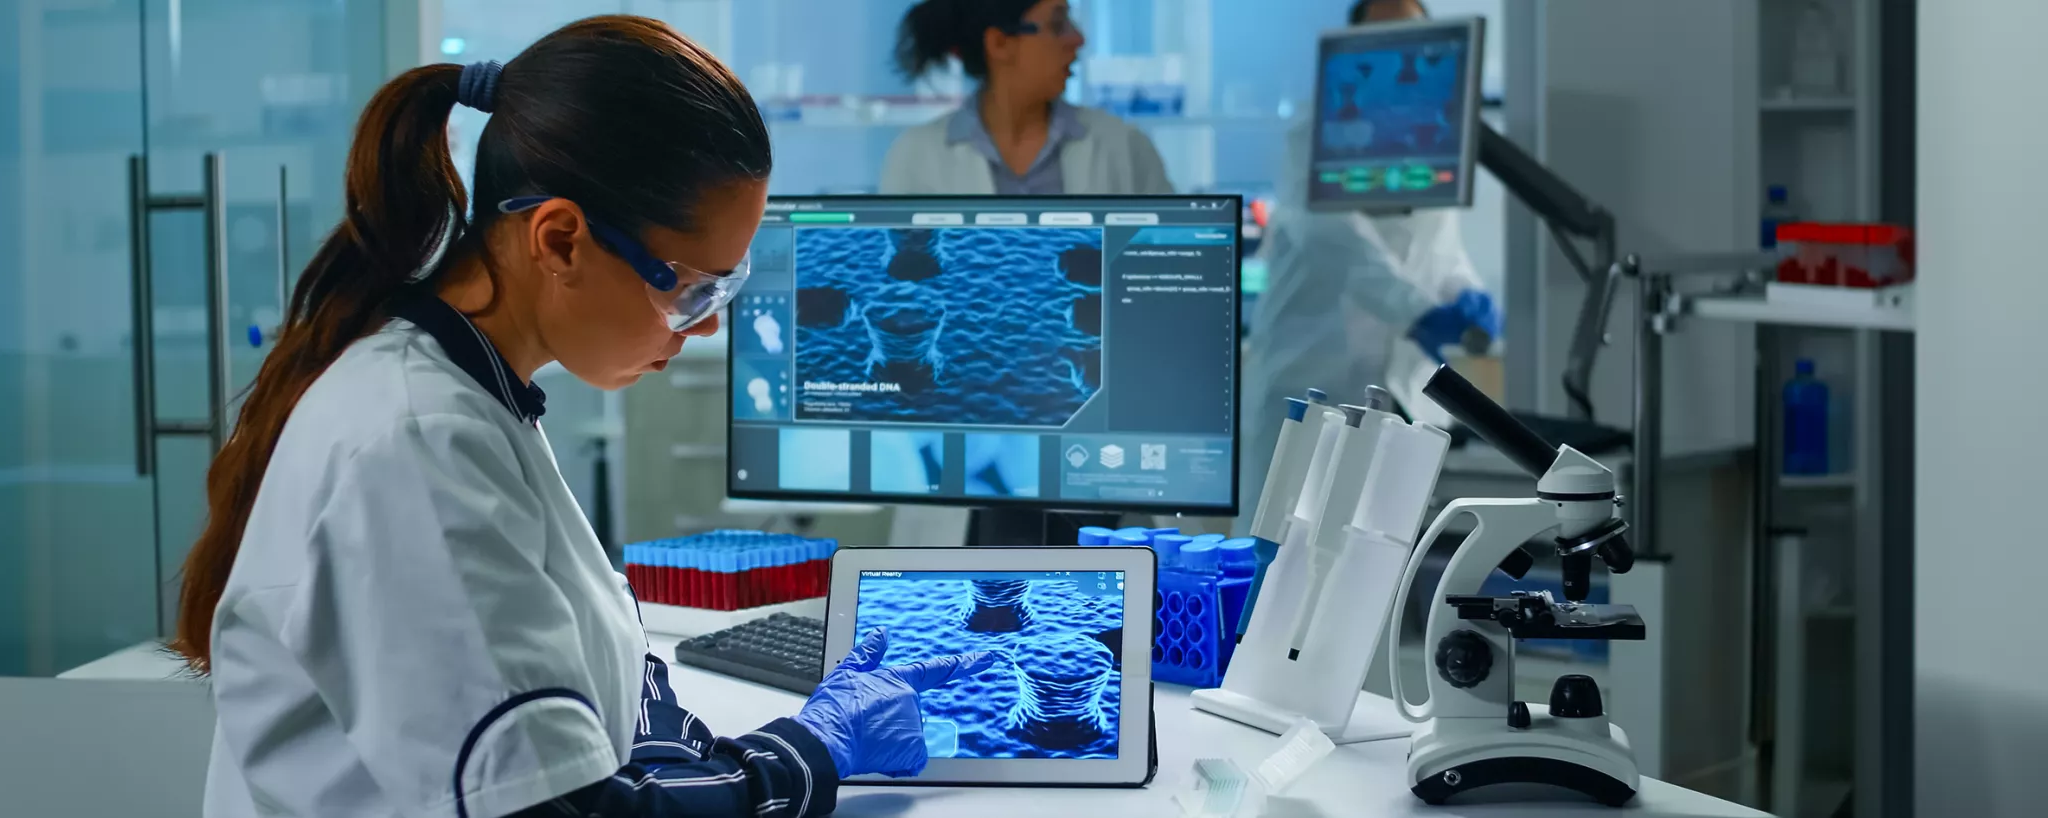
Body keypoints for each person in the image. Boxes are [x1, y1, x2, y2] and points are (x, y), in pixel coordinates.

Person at [179, 16, 993, 818]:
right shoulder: (417, 442)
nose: (707, 326)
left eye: (727, 287)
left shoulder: (478, 395)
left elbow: (615, 673)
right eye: (689, 289)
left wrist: (704, 758)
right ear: (561, 239)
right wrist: (811, 751)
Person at [1238, 0, 1500, 532]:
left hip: (1405, 403)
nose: (1402, 62)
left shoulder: (1432, 136)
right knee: (1277, 574)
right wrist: (1419, 311)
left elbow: (1438, 248)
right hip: (1312, 390)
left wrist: (1468, 297)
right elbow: (1334, 237)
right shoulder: (1315, 130)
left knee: (1383, 581)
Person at [880, 0, 1173, 195]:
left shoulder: (1124, 146)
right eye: (1058, 25)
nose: (1079, 39)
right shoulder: (915, 157)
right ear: (999, 44)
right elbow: (901, 279)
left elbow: (1171, 262)